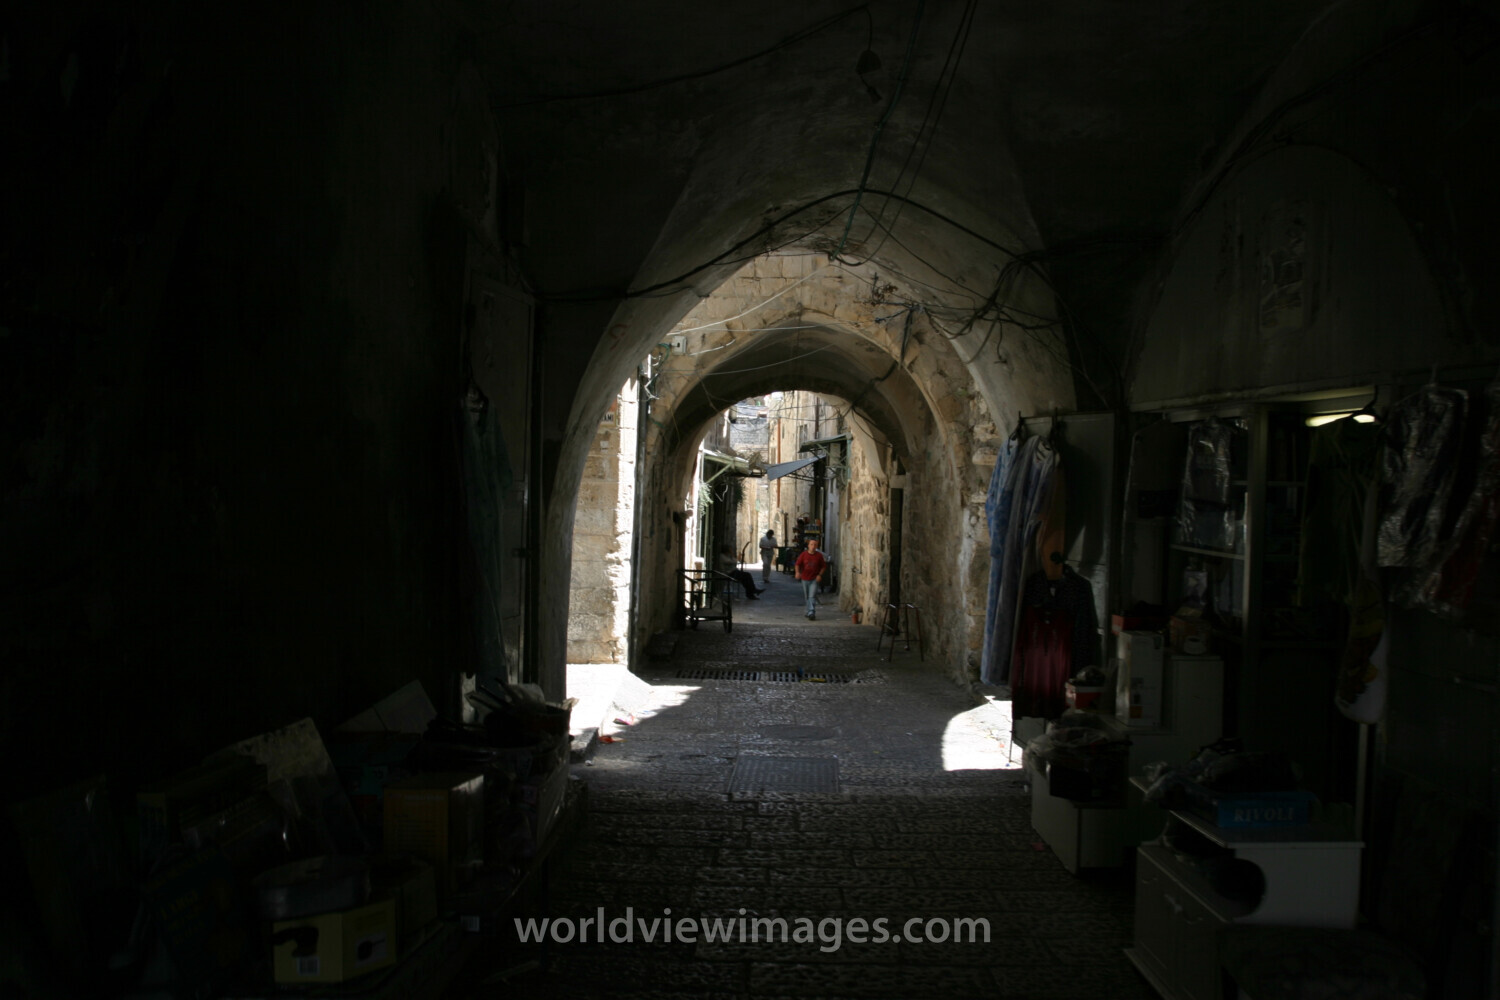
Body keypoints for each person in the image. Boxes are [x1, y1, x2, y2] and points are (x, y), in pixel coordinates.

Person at [793, 537, 828, 620]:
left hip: (814, 579)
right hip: (805, 578)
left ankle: (811, 612)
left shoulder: (819, 556)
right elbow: (797, 564)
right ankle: (808, 611)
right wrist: (797, 572)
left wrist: (819, 575)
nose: (813, 546)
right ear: (808, 545)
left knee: (812, 596)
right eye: (811, 544)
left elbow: (823, 567)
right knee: (807, 596)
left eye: (815, 545)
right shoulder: (804, 555)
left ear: (817, 546)